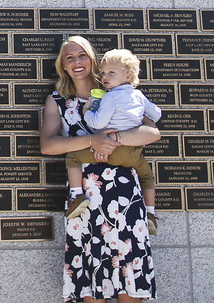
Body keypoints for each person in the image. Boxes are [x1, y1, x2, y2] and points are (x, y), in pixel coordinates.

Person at [40, 35, 160, 303]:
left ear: (93, 61)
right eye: (68, 57)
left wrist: (112, 141)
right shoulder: (56, 101)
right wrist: (93, 139)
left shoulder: (118, 92)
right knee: (92, 291)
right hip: (83, 201)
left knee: (128, 289)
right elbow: (48, 145)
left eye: (82, 55)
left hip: (123, 197)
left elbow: (152, 133)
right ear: (62, 65)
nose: (76, 61)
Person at [65, 48, 161, 231]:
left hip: (110, 149)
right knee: (147, 176)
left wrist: (87, 112)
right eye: (103, 73)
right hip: (133, 152)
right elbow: (156, 114)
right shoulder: (139, 96)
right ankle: (150, 213)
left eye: (111, 73)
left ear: (128, 75)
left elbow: (99, 123)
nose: (105, 77)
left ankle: (77, 197)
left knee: (73, 157)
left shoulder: (110, 97)